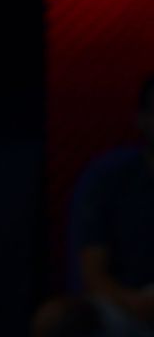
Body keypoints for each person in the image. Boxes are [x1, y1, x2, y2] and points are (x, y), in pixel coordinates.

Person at [32, 73, 154, 337]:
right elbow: (93, 273)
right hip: (125, 306)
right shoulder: (110, 180)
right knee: (56, 318)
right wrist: (135, 302)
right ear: (142, 118)